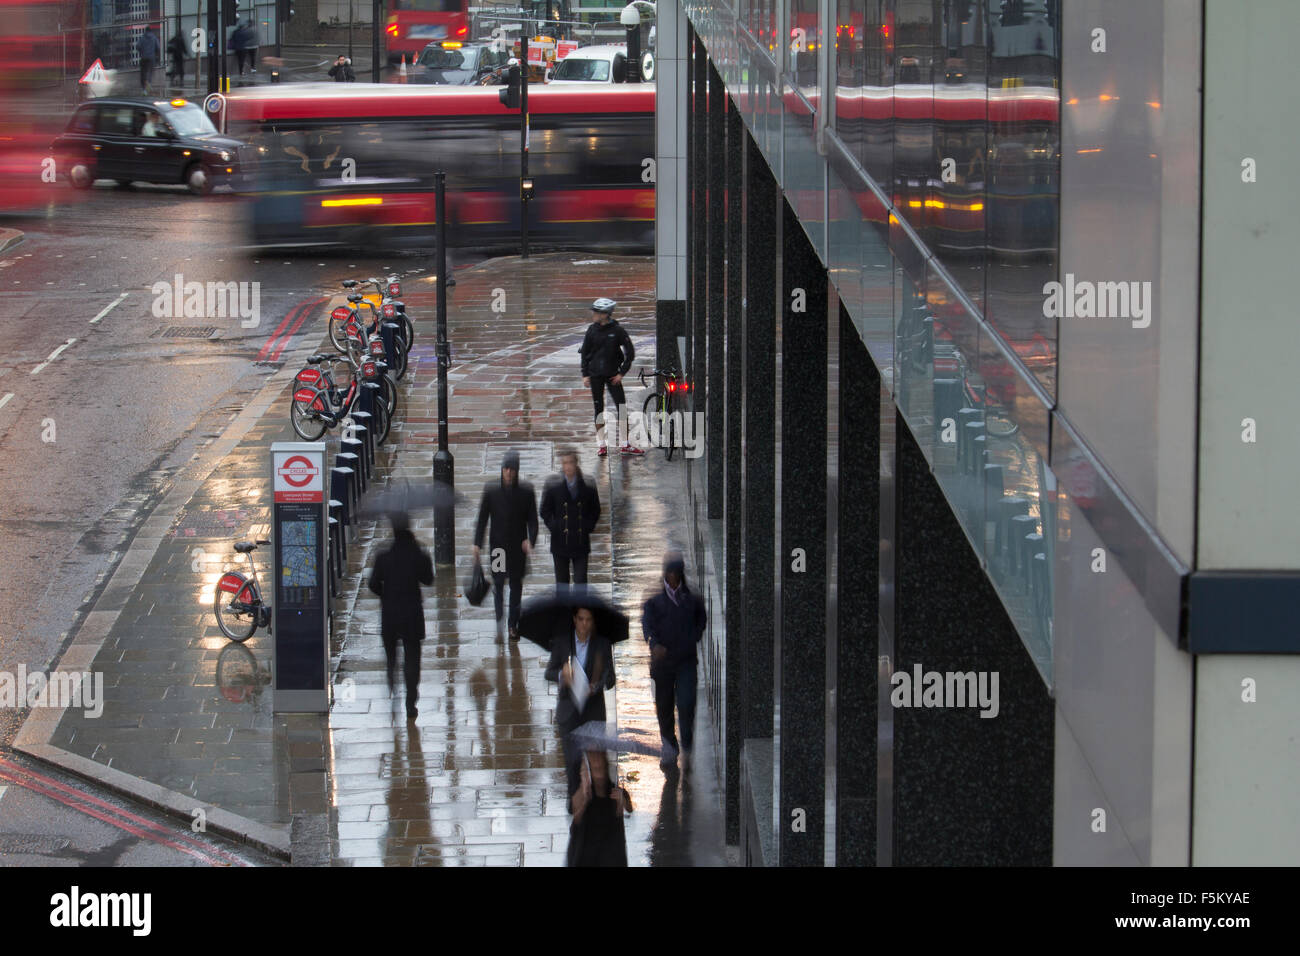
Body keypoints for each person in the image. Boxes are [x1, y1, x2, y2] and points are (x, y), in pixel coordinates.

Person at [640, 550, 707, 769]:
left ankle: (686, 742)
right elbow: (647, 626)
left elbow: (701, 621)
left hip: (686, 661)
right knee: (664, 708)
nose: (673, 577)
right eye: (669, 573)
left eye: (676, 573)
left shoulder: (692, 600)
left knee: (687, 703)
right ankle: (670, 747)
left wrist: (693, 637)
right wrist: (654, 644)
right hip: (663, 665)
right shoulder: (654, 602)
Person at [545, 606, 617, 807]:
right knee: (572, 760)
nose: (585, 624)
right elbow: (548, 672)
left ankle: (600, 795)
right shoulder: (562, 643)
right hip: (569, 710)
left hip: (593, 710)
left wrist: (596, 686)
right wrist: (562, 675)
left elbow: (610, 678)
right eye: (581, 619)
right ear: (574, 620)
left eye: (589, 620)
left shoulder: (602, 644)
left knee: (597, 760)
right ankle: (573, 797)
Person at [368, 512, 434, 719]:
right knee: (412, 659)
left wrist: (385, 594)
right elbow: (428, 579)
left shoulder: (383, 555)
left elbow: (373, 584)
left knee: (391, 658)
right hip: (412, 613)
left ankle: (392, 685)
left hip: (390, 614)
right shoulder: (418, 553)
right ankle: (411, 700)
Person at [473, 451, 538, 641]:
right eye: (506, 469)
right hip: (498, 549)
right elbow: (482, 518)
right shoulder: (491, 490)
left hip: (518, 550)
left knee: (516, 588)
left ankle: (513, 625)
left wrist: (530, 540)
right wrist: (477, 543)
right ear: (502, 469)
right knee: (499, 585)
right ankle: (500, 622)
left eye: (512, 469)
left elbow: (533, 520)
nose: (508, 472)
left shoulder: (526, 492)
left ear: (517, 471)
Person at [580, 297, 642, 457]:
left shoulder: (617, 331)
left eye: (596, 312)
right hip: (595, 376)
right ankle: (601, 444)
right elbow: (585, 352)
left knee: (621, 408)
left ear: (605, 314)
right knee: (598, 409)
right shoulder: (591, 330)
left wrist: (621, 373)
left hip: (613, 375)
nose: (593, 314)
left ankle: (625, 444)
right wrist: (585, 374)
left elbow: (630, 352)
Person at [539, 449, 600, 587]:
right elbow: (544, 510)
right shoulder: (553, 484)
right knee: (562, 585)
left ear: (576, 463)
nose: (568, 466)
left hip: (580, 542)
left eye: (571, 462)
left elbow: (595, 509)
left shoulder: (588, 484)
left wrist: (587, 526)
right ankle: (564, 610)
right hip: (560, 543)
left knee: (580, 583)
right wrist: (555, 526)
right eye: (565, 463)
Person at [566, 747, 629, 867]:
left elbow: (628, 808)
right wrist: (583, 796)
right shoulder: (584, 790)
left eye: (600, 766)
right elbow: (576, 818)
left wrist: (622, 802)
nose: (597, 765)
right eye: (595, 768)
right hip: (586, 853)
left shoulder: (613, 789)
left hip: (610, 852)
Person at [137, 28, 161, 94]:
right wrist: (155, 54)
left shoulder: (142, 38)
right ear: (151, 31)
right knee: (150, 71)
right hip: (151, 58)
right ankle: (149, 82)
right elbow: (158, 47)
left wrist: (142, 52)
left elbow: (138, 46)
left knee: (143, 72)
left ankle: (143, 89)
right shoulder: (154, 38)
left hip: (143, 57)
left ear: (145, 31)